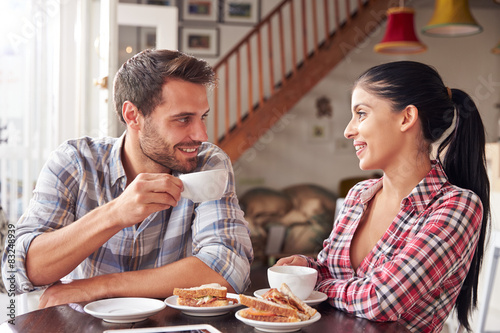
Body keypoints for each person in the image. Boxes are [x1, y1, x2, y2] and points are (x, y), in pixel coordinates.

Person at [2, 49, 253, 308]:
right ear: (133, 116)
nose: (202, 134)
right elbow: (15, 270)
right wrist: (115, 214)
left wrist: (102, 287)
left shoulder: (207, 163)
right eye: (183, 119)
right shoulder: (75, 162)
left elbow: (227, 268)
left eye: (203, 117)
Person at [275, 61, 490, 333]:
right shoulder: (358, 196)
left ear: (406, 118)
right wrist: (306, 268)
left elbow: (380, 299)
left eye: (361, 114)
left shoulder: (457, 207)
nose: (348, 130)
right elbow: (330, 270)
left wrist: (313, 285)